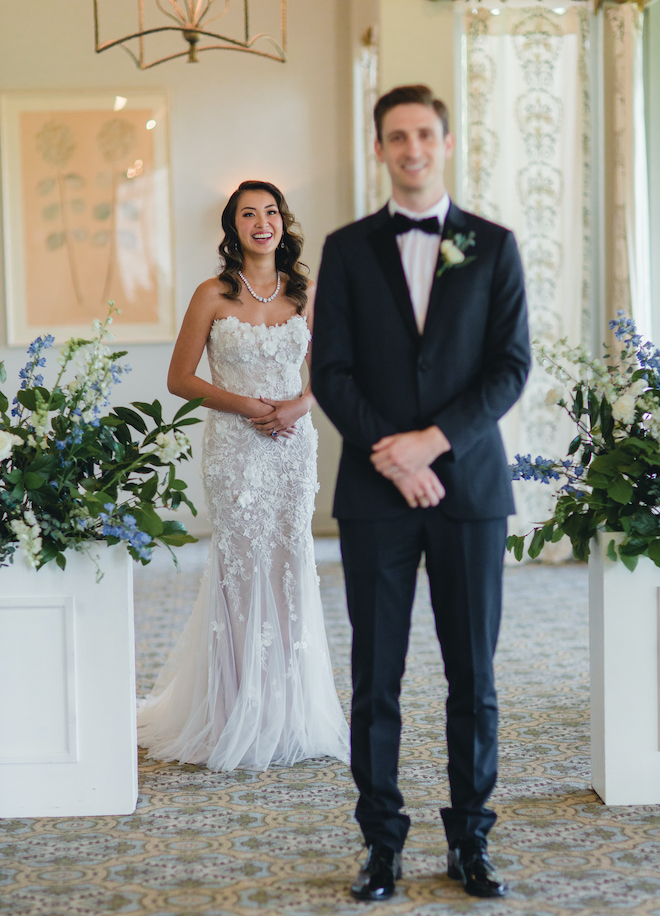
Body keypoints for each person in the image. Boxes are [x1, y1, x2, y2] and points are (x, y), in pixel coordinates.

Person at [312, 85, 530, 900]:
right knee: (378, 676)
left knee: (473, 678)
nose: (411, 148)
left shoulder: (493, 246)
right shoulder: (345, 248)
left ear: (445, 142)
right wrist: (391, 457)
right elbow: (328, 369)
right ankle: (382, 843)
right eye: (396, 136)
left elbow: (510, 366)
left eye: (424, 135)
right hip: (374, 496)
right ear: (379, 149)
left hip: (470, 490)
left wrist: (433, 445)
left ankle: (472, 840)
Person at [137, 180, 349, 771]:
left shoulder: (306, 293)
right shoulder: (212, 294)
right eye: (249, 214)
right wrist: (249, 406)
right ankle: (233, 709)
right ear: (232, 227)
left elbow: (332, 370)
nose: (263, 222)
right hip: (236, 449)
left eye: (272, 212)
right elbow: (181, 378)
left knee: (289, 562)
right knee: (241, 567)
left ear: (284, 223)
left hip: (292, 449)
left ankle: (290, 709)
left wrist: (296, 407)